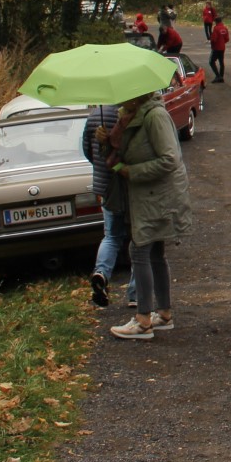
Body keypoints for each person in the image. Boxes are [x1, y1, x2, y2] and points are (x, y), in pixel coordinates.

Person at [108, 89, 194, 340]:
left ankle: (143, 320)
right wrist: (107, 141)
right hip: (146, 195)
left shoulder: (154, 116)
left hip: (158, 196)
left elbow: (170, 158)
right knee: (154, 251)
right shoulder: (129, 117)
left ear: (136, 94)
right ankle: (163, 314)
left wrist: (131, 171)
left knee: (140, 250)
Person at [82, 103, 132, 309]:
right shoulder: (128, 116)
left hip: (104, 187)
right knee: (136, 239)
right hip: (125, 186)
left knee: (111, 236)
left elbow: (87, 150)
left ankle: (101, 272)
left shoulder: (95, 116)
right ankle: (136, 293)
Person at [209, 14, 230, 83]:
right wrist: (223, 43)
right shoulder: (225, 28)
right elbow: (227, 38)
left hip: (216, 48)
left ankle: (218, 76)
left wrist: (212, 45)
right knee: (221, 62)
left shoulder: (216, 28)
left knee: (211, 62)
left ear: (216, 22)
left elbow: (213, 39)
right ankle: (221, 77)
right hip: (222, 47)